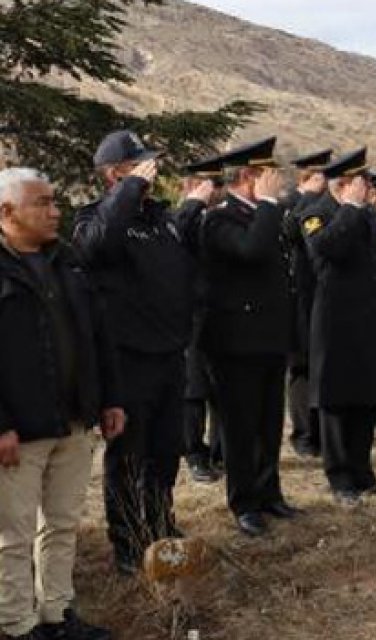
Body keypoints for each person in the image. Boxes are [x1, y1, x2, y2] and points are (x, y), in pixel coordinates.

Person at [0, 167, 124, 640]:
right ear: (7, 212)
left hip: (72, 421)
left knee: (62, 523)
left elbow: (97, 335)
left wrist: (110, 398)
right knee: (12, 534)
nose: (55, 212)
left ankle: (57, 613)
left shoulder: (67, 261)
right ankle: (16, 623)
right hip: (19, 431)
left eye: (55, 201)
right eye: (43, 203)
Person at [74, 130, 201, 575]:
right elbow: (96, 246)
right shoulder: (99, 217)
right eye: (140, 164)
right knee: (129, 456)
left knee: (166, 451)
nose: (152, 169)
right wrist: (129, 190)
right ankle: (128, 543)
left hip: (169, 354)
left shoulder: (160, 219)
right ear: (115, 173)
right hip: (128, 360)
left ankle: (162, 527)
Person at [199, 137, 301, 537]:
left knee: (269, 422)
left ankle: (269, 492)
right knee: (240, 427)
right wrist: (270, 204)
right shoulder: (221, 219)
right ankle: (244, 502)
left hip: (269, 338)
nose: (276, 182)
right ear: (248, 177)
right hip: (235, 342)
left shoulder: (264, 214)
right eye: (267, 175)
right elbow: (251, 251)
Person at [300, 148, 376, 505]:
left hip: (368, 321)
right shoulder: (315, 214)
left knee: (365, 397)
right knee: (337, 401)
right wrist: (351, 209)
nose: (369, 188)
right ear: (344, 185)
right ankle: (340, 477)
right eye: (362, 182)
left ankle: (362, 470)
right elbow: (327, 250)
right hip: (335, 323)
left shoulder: (367, 216)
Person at [281, 149, 332, 459]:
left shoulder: (325, 206)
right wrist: (307, 200)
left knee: (322, 366)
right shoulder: (290, 205)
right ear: (311, 177)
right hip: (299, 296)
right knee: (302, 369)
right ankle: (303, 434)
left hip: (322, 294)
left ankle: (321, 430)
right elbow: (287, 234)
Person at [178, 156, 225, 484]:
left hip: (223, 313)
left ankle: (221, 451)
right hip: (191, 315)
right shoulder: (180, 218)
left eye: (218, 185)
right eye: (208, 185)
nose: (214, 191)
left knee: (222, 389)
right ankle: (194, 452)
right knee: (194, 389)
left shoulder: (223, 218)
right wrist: (193, 204)